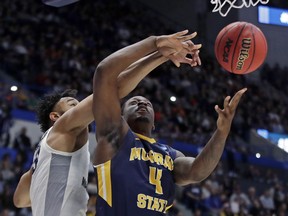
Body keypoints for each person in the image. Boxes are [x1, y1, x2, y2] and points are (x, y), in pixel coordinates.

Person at [12, 30, 194, 216]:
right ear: (55, 117)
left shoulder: (44, 157)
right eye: (73, 105)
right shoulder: (64, 127)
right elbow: (113, 88)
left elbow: (20, 199)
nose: (81, 107)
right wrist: (158, 50)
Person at [92, 30, 247, 216]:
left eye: (148, 104)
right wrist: (155, 44)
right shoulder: (115, 137)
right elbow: (104, 73)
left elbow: (197, 171)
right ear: (121, 116)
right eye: (134, 102)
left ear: (154, 124)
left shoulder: (171, 155)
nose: (142, 103)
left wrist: (221, 133)